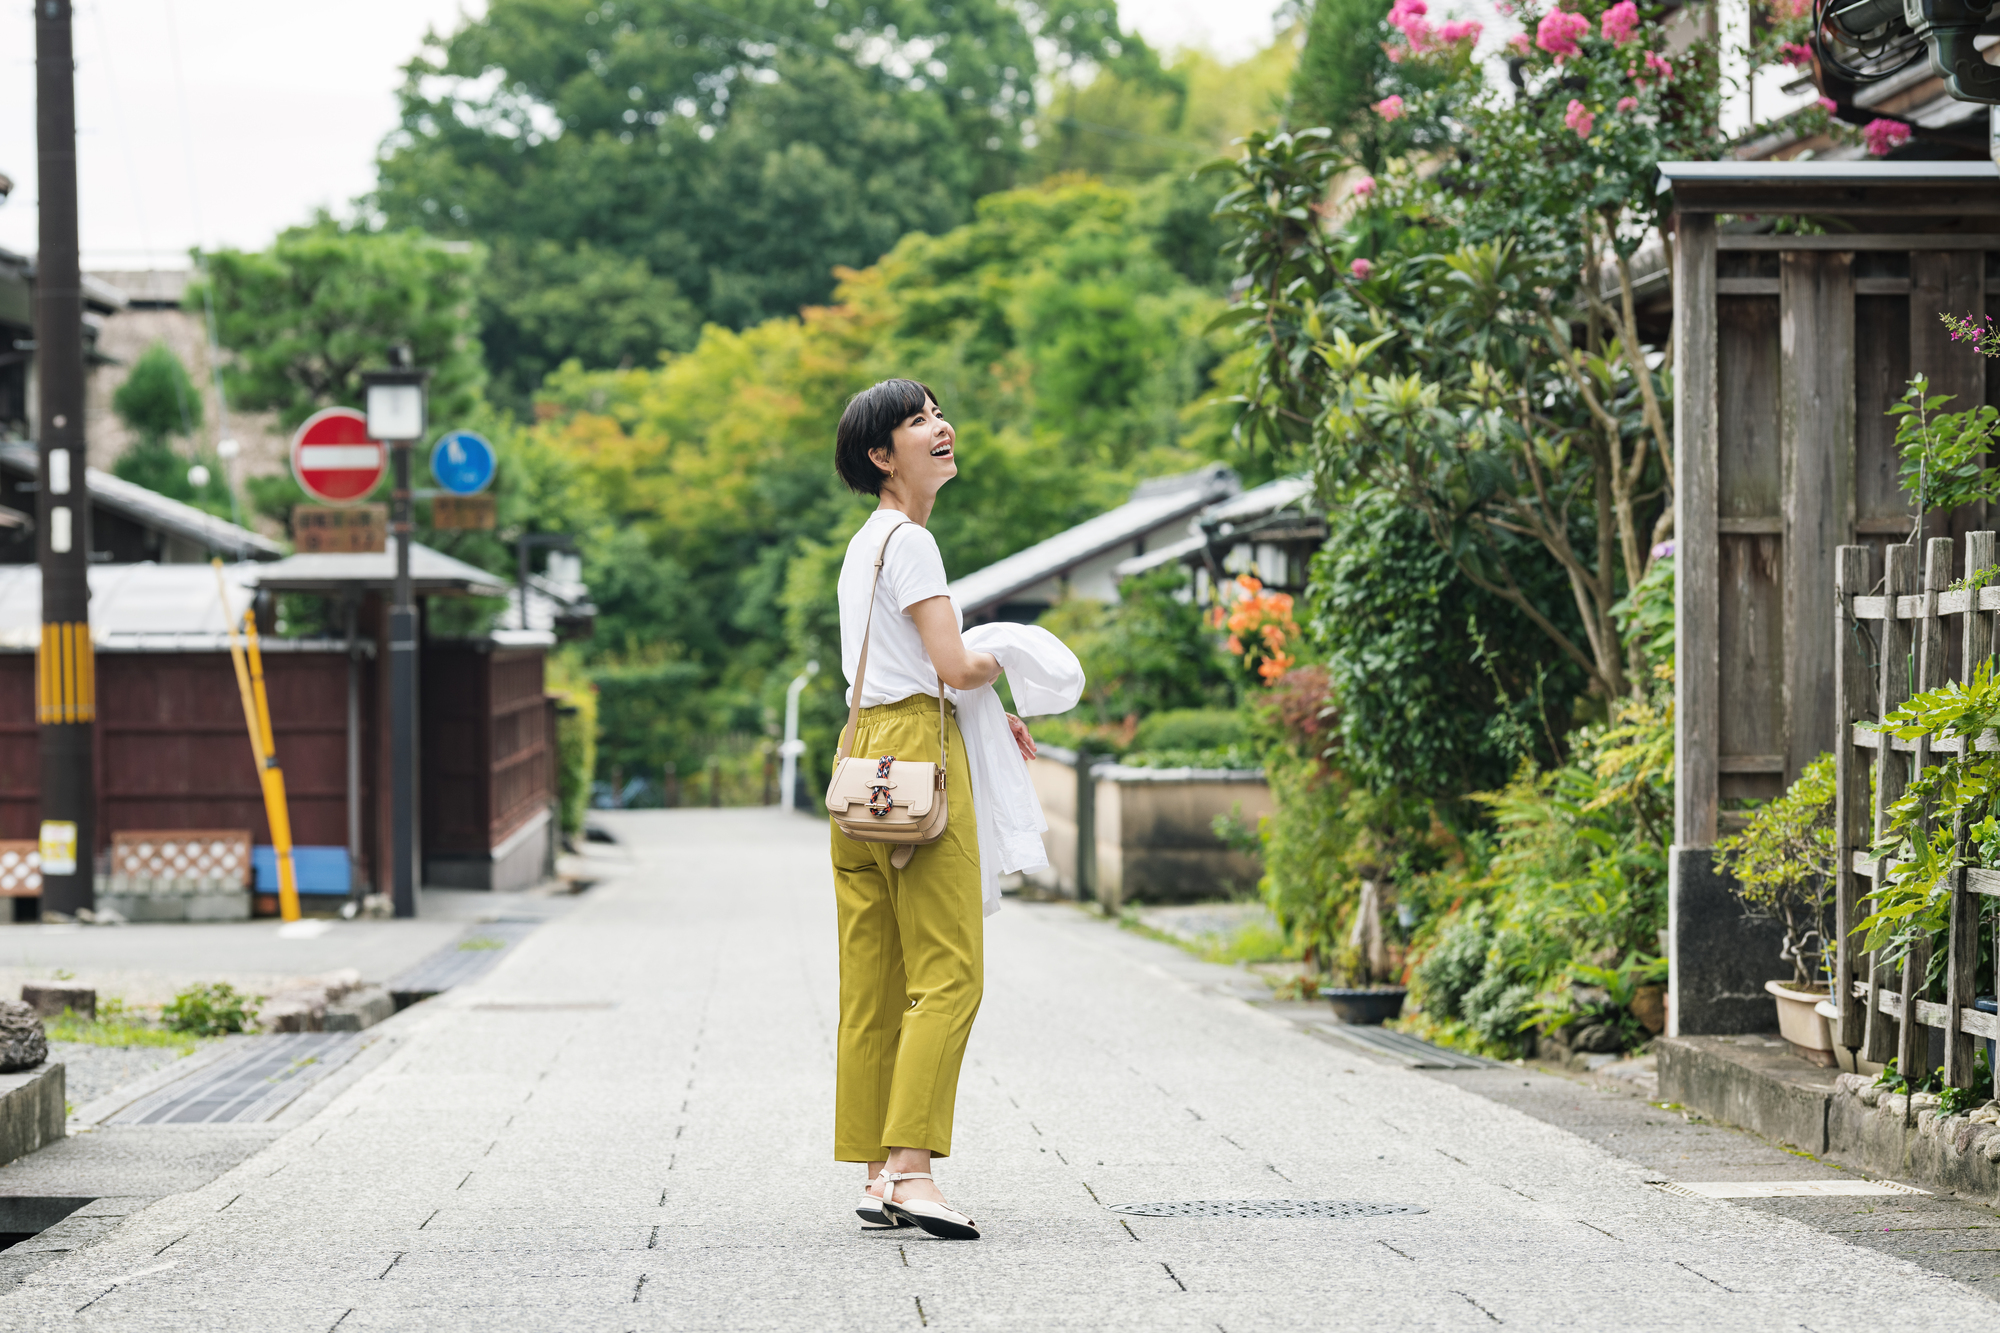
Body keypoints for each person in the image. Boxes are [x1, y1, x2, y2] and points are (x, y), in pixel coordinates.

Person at [828, 378, 1035, 1241]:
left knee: (872, 980)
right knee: (950, 972)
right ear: (883, 456)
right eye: (917, 422)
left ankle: (877, 1167)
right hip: (919, 754)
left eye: (937, 414)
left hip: (859, 759)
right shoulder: (911, 542)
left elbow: (898, 666)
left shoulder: (862, 546)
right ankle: (913, 1171)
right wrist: (1004, 657)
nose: (940, 428)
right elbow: (951, 665)